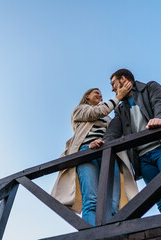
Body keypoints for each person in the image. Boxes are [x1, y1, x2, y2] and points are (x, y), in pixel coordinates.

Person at [90, 68, 161, 213]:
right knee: (160, 198)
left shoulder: (150, 88)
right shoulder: (121, 109)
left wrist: (160, 118)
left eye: (114, 83)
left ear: (124, 79)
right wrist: (103, 142)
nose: (112, 88)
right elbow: (113, 130)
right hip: (142, 158)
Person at [51, 85, 139, 226]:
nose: (100, 95)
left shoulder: (108, 117)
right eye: (96, 93)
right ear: (87, 96)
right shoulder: (80, 110)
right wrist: (118, 97)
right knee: (91, 199)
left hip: (110, 154)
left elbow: (117, 131)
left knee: (113, 202)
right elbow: (97, 112)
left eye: (101, 94)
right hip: (87, 152)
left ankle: (111, 234)